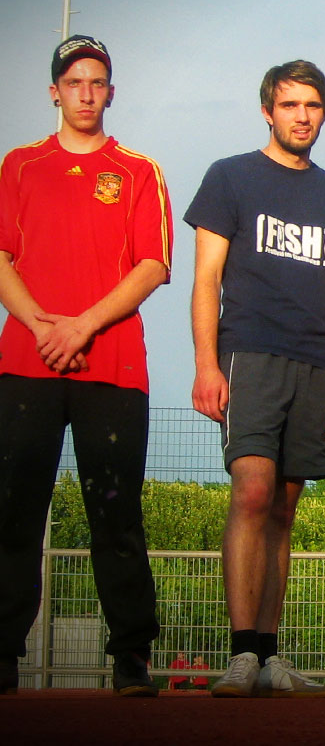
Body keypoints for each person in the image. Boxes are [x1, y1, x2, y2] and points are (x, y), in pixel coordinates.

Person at [188, 60, 325, 698]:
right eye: (290, 104)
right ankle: (241, 652)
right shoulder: (230, 176)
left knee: (284, 507)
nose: (302, 116)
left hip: (315, 363)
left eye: (312, 105)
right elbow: (206, 278)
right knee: (253, 492)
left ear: (324, 113)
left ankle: (268, 656)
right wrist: (206, 364)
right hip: (248, 354)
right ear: (268, 110)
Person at [0, 36, 170, 697]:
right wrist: (43, 325)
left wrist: (82, 325)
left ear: (111, 92)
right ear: (54, 91)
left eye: (97, 82)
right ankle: (3, 654)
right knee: (14, 512)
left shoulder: (137, 170)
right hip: (27, 365)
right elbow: (2, 258)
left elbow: (153, 265)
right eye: (74, 82)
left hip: (113, 369)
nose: (86, 93)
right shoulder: (20, 166)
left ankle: (131, 657)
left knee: (116, 514)